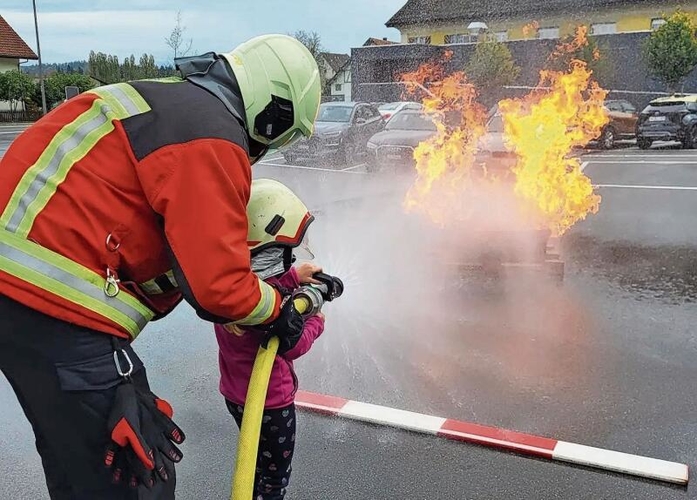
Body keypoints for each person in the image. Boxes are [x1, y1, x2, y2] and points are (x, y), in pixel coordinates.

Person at [0, 34, 321, 500]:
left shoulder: (164, 102)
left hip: (20, 302)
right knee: (137, 474)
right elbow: (218, 287)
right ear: (274, 115)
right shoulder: (211, 133)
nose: (260, 154)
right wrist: (280, 308)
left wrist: (288, 280)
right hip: (58, 308)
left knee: (76, 462)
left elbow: (174, 249)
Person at [216, 179, 326, 500]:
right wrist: (316, 321)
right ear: (273, 249)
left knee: (253, 465)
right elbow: (292, 344)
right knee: (274, 477)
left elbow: (265, 284)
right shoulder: (268, 311)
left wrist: (294, 277)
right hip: (272, 403)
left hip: (236, 397)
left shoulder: (231, 291)